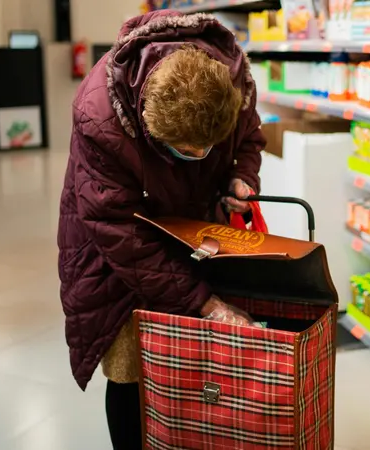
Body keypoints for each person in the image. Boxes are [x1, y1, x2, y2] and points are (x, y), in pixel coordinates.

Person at [57, 11, 265, 450]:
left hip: (197, 233)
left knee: (197, 363)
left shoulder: (235, 84)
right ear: (147, 122)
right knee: (131, 363)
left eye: (207, 148)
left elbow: (248, 138)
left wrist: (240, 177)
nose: (200, 155)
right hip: (119, 248)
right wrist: (202, 301)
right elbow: (115, 228)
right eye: (185, 151)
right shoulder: (101, 114)